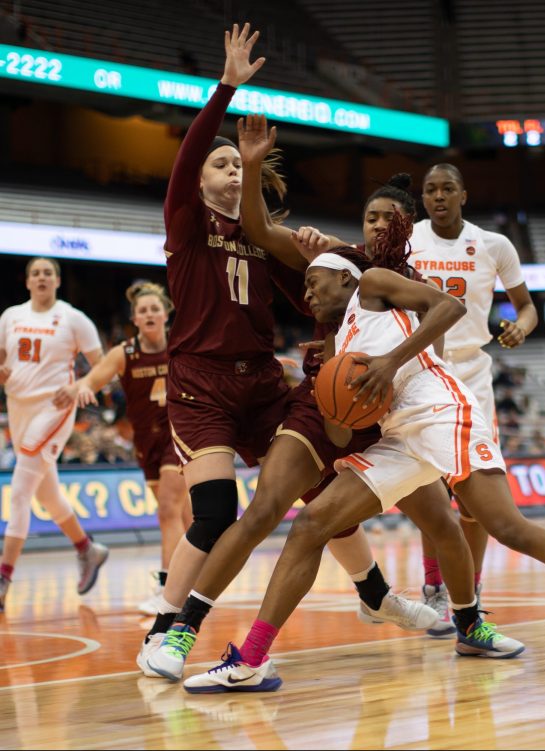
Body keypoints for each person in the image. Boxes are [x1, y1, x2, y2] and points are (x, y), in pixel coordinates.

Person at [182, 253, 545, 693]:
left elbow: (450, 307)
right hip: (400, 437)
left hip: (445, 411)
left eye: (314, 282)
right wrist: (326, 383)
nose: (308, 294)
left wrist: (387, 362)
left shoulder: (374, 285)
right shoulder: (338, 344)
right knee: (313, 524)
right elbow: (339, 435)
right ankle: (251, 660)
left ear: (344, 278)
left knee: (507, 527)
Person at [141, 121, 489, 679]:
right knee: (237, 511)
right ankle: (172, 629)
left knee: (430, 517)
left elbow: (383, 324)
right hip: (214, 383)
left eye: (387, 218)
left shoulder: (389, 274)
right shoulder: (220, 229)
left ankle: (434, 612)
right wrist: (254, 159)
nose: (377, 225)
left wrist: (354, 347)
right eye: (370, 216)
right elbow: (272, 243)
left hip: (353, 405)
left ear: (408, 224)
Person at [134, 24, 317, 671]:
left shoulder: (267, 236)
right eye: (222, 162)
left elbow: (310, 302)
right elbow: (184, 163)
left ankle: (376, 594)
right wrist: (226, 88)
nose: (231, 169)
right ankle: (163, 630)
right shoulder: (186, 221)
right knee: (215, 511)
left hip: (263, 382)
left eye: (238, 164)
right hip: (202, 382)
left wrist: (327, 262)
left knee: (316, 491)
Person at [408, 162, 538, 635]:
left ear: (463, 194)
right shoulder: (408, 239)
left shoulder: (493, 245)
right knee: (427, 493)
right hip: (420, 373)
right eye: (430, 190)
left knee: (475, 501)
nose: (438, 197)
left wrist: (519, 329)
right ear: (422, 198)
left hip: (472, 376)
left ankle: (473, 593)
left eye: (447, 189)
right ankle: (434, 589)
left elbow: (526, 307)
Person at [59, 282, 191, 614]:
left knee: (167, 511)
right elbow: (93, 379)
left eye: (154, 308)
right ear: (134, 317)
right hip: (146, 441)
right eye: (142, 310)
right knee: (185, 516)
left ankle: (167, 591)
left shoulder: (181, 344)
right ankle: (196, 582)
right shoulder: (124, 353)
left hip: (180, 435)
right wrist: (83, 388)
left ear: (165, 314)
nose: (148, 313)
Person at [0, 257, 108, 611]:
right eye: (36, 273)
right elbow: (3, 360)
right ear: (27, 281)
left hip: (55, 408)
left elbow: (105, 366)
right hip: (18, 407)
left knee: (19, 492)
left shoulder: (74, 318)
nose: (42, 277)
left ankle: (3, 577)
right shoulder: (10, 316)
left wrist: (79, 386)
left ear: (57, 281)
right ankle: (87, 549)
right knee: (47, 494)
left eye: (48, 272)